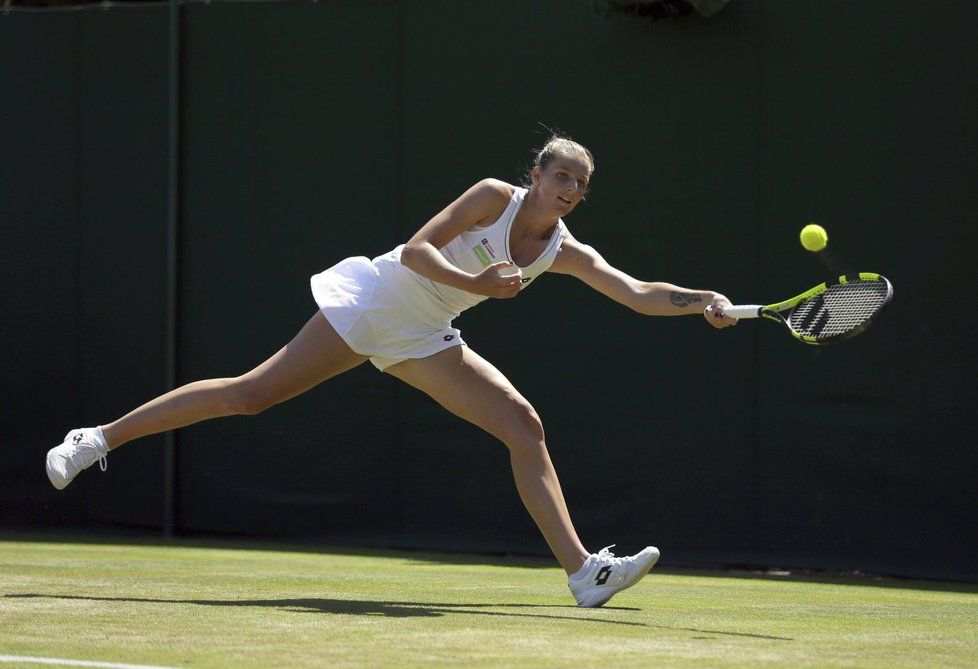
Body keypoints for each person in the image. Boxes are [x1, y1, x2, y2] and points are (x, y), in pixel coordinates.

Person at [46, 134, 736, 608]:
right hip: (378, 299)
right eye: (562, 175)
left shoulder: (561, 249)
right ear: (536, 175)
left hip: (426, 335)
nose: (570, 189)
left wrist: (701, 300)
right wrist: (486, 284)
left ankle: (585, 573)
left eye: (581, 185)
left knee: (524, 424)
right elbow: (414, 251)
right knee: (250, 394)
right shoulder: (493, 197)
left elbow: (636, 290)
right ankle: (98, 437)